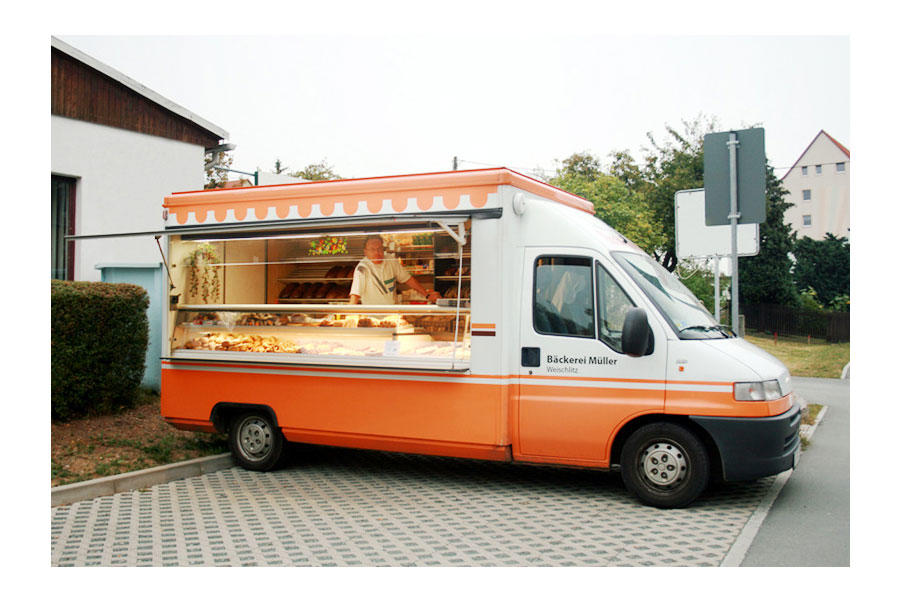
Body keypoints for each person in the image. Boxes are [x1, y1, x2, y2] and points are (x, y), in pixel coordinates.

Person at [349, 235, 441, 304]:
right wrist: (350, 315)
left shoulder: (390, 260)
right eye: (372, 249)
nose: (377, 252)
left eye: (379, 249)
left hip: (392, 313)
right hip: (373, 316)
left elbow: (408, 279)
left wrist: (427, 295)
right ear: (365, 252)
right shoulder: (362, 268)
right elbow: (355, 294)